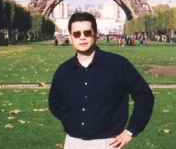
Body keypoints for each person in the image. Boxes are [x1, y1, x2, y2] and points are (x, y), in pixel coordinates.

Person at [49, 12, 154, 149]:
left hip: (108, 143)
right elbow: (55, 104)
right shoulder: (64, 70)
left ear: (96, 34)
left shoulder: (118, 65)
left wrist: (130, 131)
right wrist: (71, 121)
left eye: (87, 32)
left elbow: (145, 96)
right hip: (73, 143)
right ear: (70, 37)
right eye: (77, 34)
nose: (82, 37)